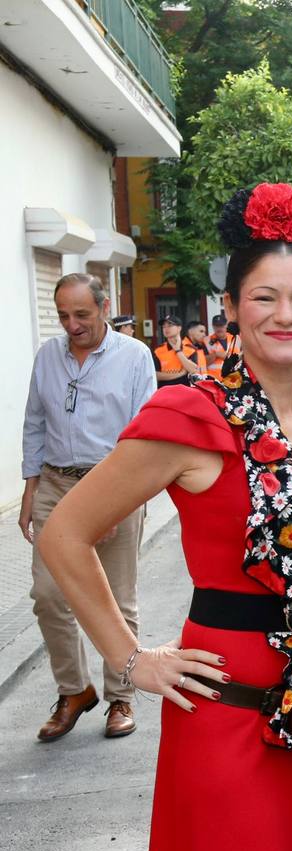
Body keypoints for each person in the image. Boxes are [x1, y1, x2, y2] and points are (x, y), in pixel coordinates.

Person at [36, 183, 292, 851]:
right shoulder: (190, 414)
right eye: (263, 297)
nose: (285, 314)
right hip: (227, 706)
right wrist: (131, 657)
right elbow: (65, 533)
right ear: (230, 308)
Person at [21, 272, 155, 742]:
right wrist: (29, 488)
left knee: (116, 598)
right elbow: (35, 422)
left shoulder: (134, 357)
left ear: (103, 307)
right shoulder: (47, 357)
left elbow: (145, 434)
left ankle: (121, 694)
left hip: (111, 482)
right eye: (63, 316)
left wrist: (121, 503)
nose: (72, 325)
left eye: (81, 314)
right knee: (48, 596)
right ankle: (74, 690)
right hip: (56, 484)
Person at [152, 314, 203, 387]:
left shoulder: (190, 349)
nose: (166, 329)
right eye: (164, 326)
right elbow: (155, 375)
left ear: (179, 328)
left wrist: (178, 351)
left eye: (170, 325)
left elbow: (193, 370)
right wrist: (180, 374)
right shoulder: (158, 350)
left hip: (185, 391)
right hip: (165, 392)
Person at [205, 313, 233, 379]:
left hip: (233, 380)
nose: (219, 328)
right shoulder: (206, 341)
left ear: (226, 325)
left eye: (221, 326)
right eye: (216, 326)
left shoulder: (236, 339)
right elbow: (202, 362)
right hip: (213, 380)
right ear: (212, 326)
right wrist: (216, 354)